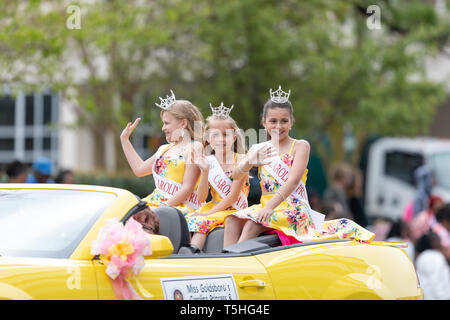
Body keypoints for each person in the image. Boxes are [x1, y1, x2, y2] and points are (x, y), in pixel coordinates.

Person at [224, 86, 374, 247]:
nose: (278, 126)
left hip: (293, 208)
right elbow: (235, 176)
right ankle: (225, 263)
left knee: (252, 225)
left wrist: (269, 207)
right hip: (265, 206)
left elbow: (293, 181)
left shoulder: (300, 146)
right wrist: (249, 162)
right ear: (264, 122)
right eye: (273, 121)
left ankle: (236, 262)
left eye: (284, 121)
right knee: (232, 220)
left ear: (291, 122)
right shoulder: (257, 149)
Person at [120, 90, 204, 216]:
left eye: (167, 123)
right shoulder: (164, 149)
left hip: (178, 209)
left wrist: (162, 208)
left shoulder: (194, 147)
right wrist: (125, 140)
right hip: (156, 204)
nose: (163, 128)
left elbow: (187, 188)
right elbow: (139, 170)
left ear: (183, 123)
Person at [185, 102, 250, 252]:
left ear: (234, 138)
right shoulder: (209, 162)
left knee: (202, 220)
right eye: (215, 135)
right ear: (208, 138)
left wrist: (208, 213)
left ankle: (192, 252)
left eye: (225, 134)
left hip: (233, 209)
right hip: (214, 206)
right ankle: (189, 253)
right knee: (188, 220)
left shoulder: (241, 160)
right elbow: (201, 198)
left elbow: (233, 197)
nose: (220, 139)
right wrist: (205, 172)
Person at [415, 232, 450, 300]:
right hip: (437, 297)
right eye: (437, 238)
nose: (440, 240)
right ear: (432, 242)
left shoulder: (421, 256)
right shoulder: (435, 256)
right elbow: (436, 280)